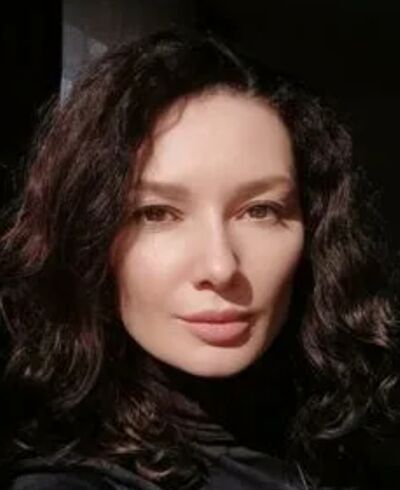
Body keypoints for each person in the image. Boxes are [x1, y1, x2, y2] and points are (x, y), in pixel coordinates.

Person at [0, 28, 398, 490]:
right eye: (157, 213)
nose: (220, 267)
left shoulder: (353, 447)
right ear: (88, 237)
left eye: (260, 210)